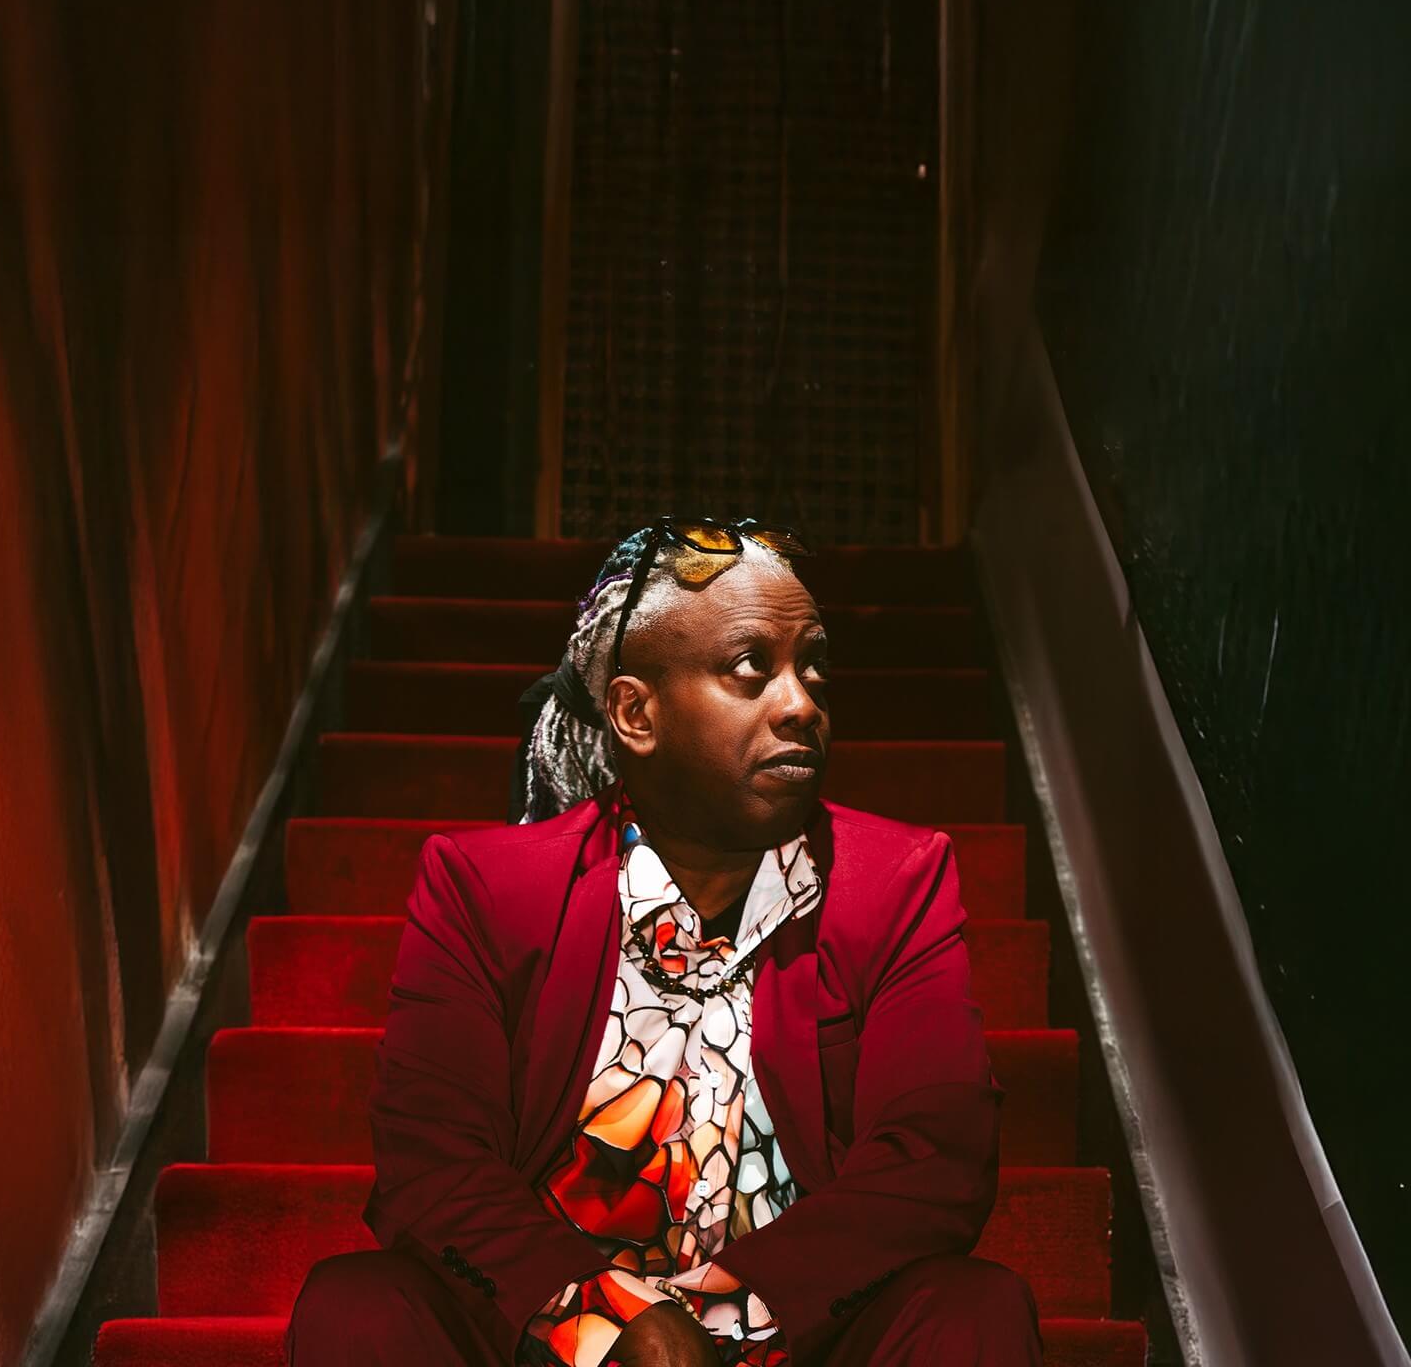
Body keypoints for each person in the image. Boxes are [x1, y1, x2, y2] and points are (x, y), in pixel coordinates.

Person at [286, 518, 1042, 1365]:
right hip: (560, 1345)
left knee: (975, 1309)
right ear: (635, 713)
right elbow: (432, 1161)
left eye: (814, 666)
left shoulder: (895, 880)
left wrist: (721, 1311)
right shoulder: (488, 888)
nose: (802, 703)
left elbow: (933, 1156)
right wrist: (606, 1319)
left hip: (794, 1338)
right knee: (357, 1304)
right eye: (752, 667)